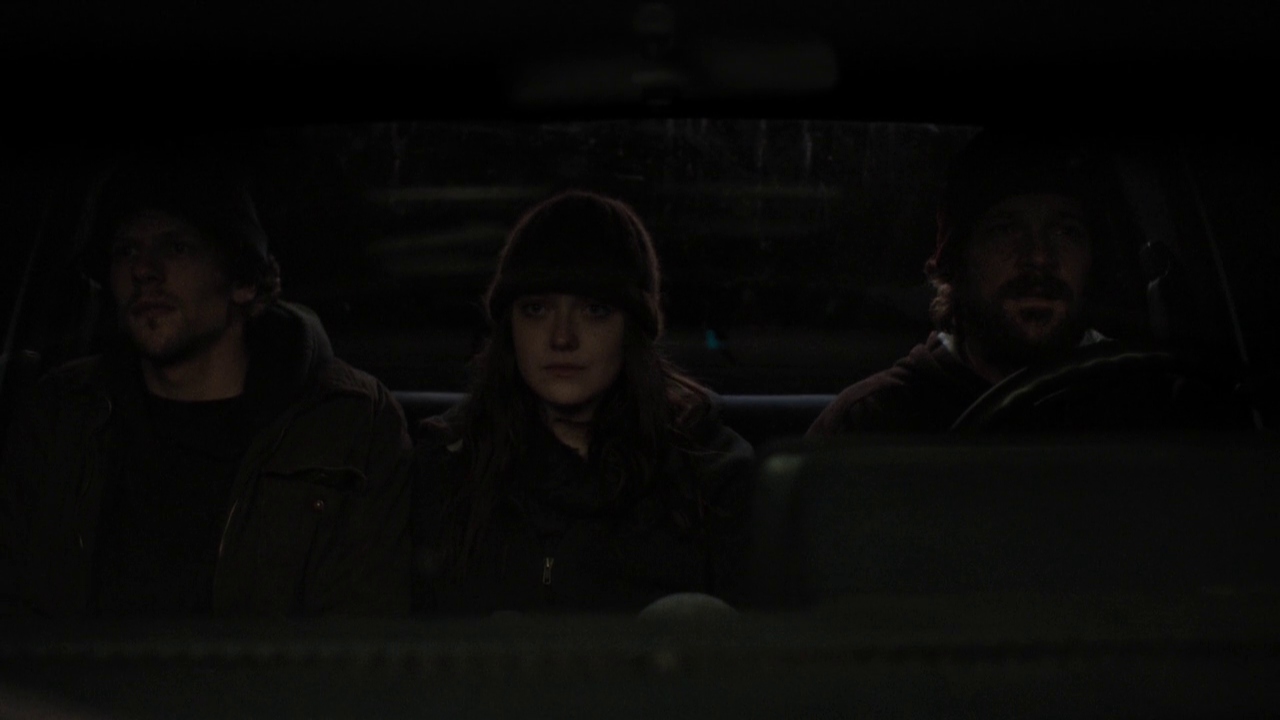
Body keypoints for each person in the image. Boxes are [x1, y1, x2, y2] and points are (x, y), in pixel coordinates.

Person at [0, 151, 412, 617]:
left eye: (176, 248)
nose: (144, 271)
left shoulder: (348, 423)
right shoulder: (62, 412)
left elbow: (363, 634)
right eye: (126, 251)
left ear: (242, 281)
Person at [412, 190, 754, 615]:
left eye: (594, 310)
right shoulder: (448, 464)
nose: (562, 337)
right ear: (510, 326)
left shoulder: (711, 473)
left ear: (631, 328)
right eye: (536, 309)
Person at [809, 128, 1115, 435]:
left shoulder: (1134, 400)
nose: (1039, 257)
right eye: (1005, 230)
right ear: (957, 260)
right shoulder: (871, 422)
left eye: (1065, 232)